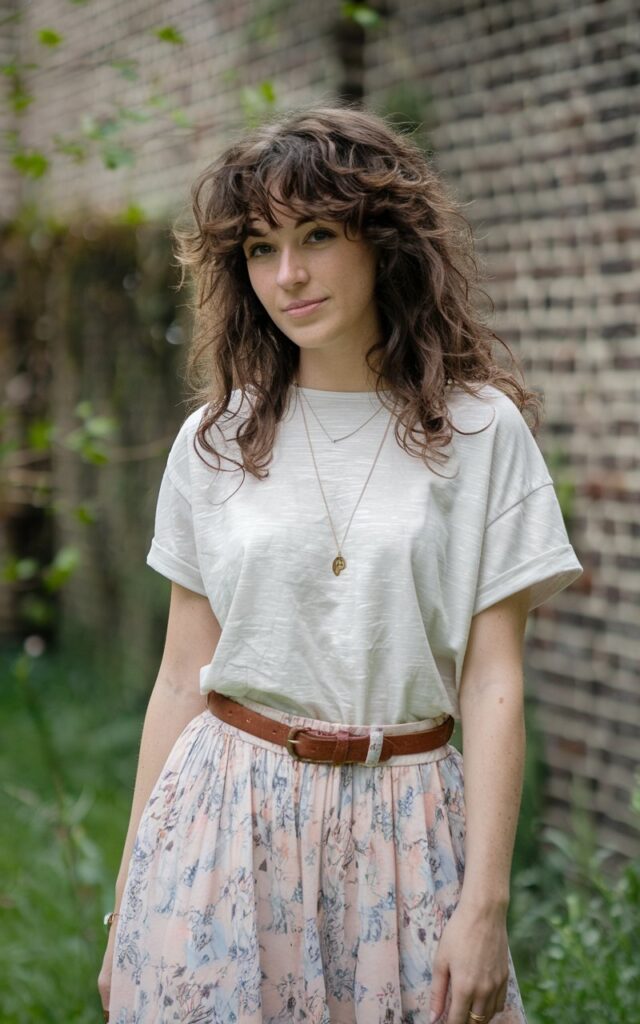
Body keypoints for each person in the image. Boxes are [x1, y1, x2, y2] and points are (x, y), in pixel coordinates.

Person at [98, 102, 583, 1024]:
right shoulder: (214, 440)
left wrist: (485, 905)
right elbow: (175, 681)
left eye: (318, 234)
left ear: (383, 241)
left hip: (409, 831)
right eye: (259, 247)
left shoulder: (481, 434)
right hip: (222, 825)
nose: (289, 274)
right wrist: (130, 902)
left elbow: (491, 683)